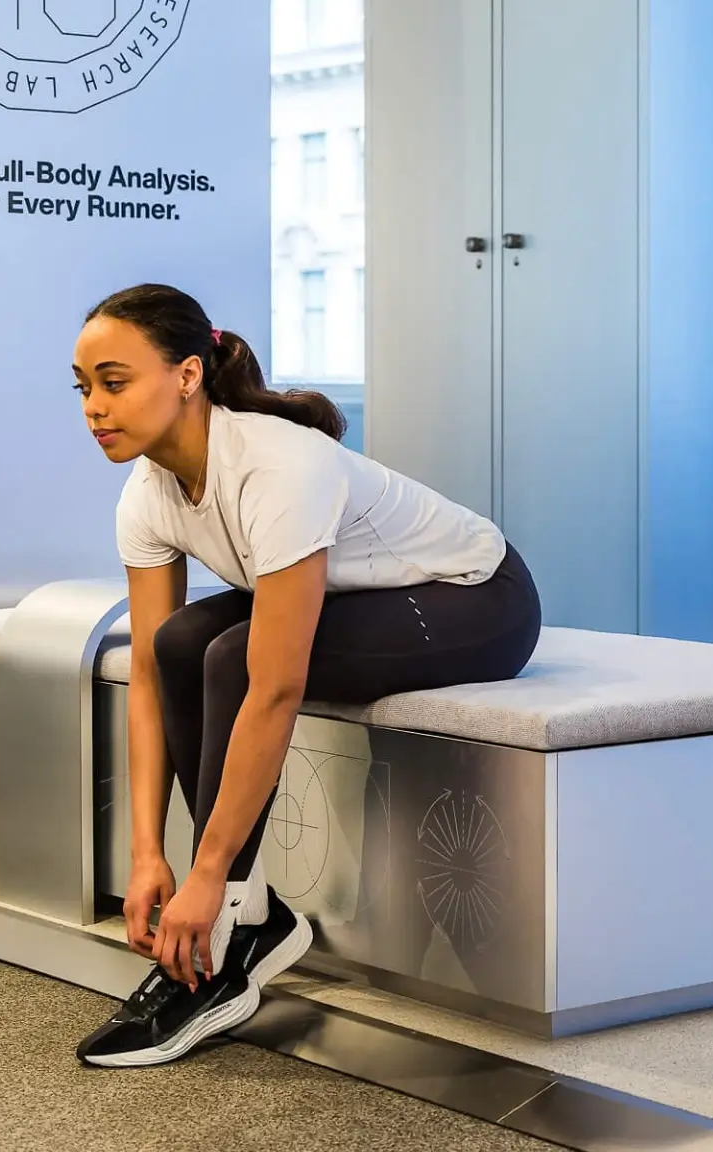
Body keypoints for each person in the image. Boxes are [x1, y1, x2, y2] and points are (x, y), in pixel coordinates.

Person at [68, 283, 541, 1067]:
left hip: (476, 601)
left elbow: (275, 685)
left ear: (188, 375)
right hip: (368, 599)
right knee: (183, 643)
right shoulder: (147, 493)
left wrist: (207, 875)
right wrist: (147, 854)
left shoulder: (277, 465)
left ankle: (227, 932)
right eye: (83, 388)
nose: (94, 407)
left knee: (231, 655)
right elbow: (152, 677)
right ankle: (248, 917)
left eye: (114, 383)